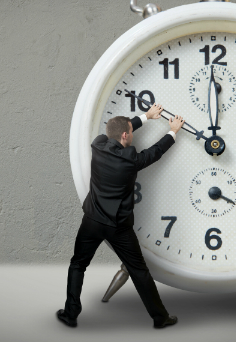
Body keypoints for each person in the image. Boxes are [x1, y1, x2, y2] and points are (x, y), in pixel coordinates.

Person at [57, 103, 185, 329]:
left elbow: (117, 131)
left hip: (92, 221)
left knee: (78, 264)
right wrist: (173, 130)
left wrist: (145, 117)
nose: (134, 135)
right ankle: (160, 318)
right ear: (126, 135)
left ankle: (70, 314)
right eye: (132, 132)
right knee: (139, 271)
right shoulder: (130, 159)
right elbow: (155, 152)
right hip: (118, 227)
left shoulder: (97, 145)